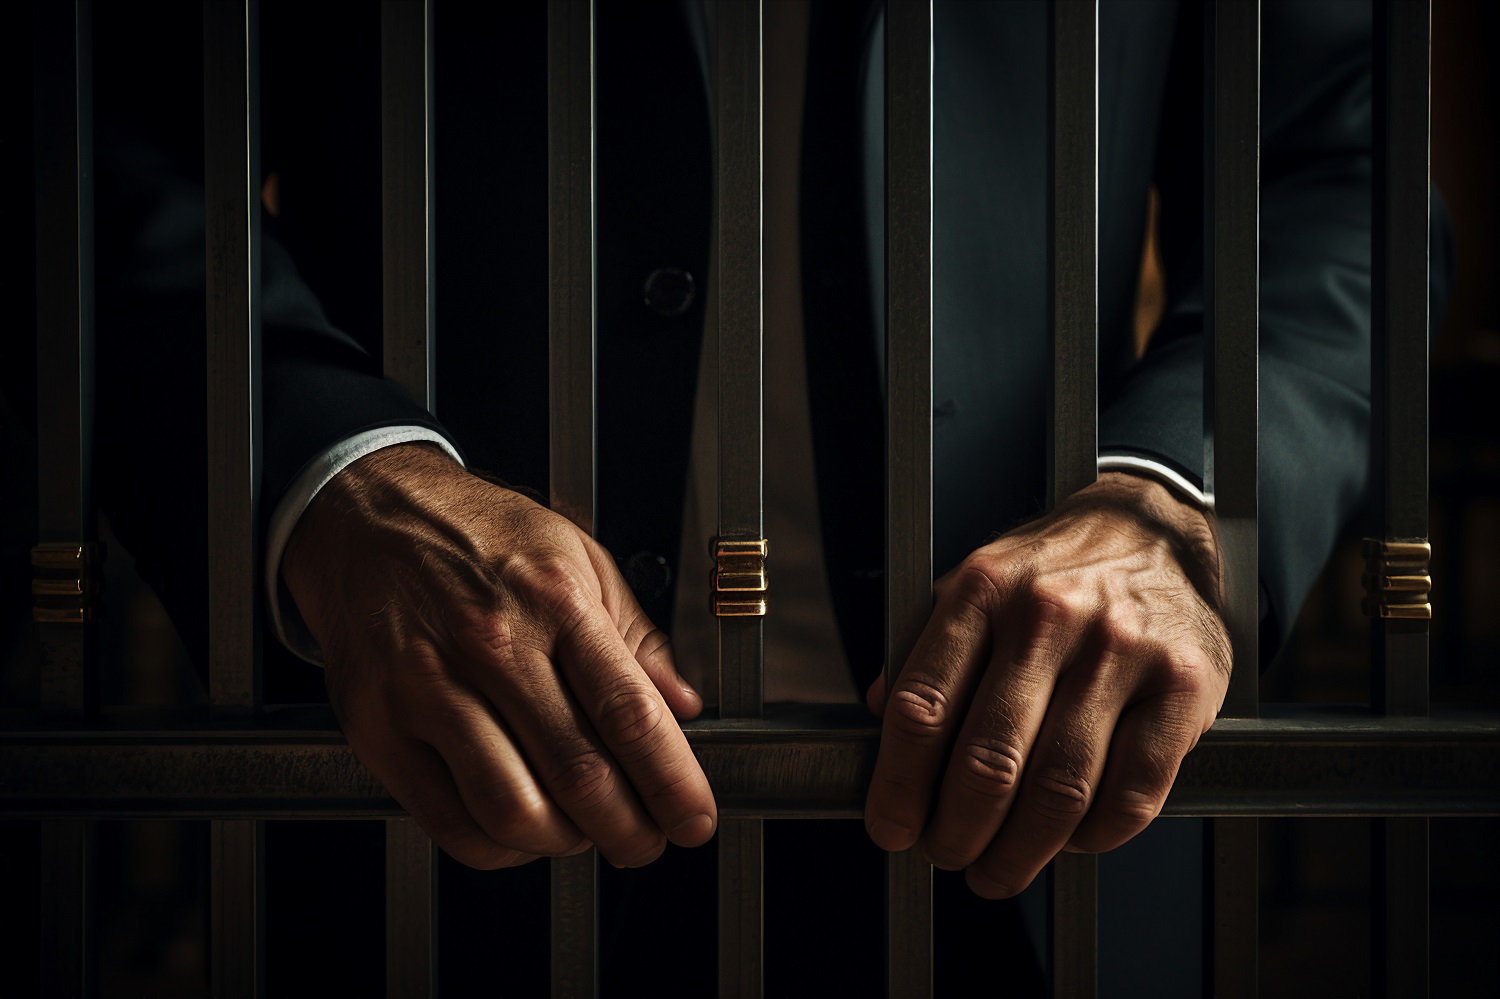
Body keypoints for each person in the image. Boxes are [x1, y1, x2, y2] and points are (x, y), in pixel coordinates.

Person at [91, 0, 1448, 993]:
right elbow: (91, 129)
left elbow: (1347, 171)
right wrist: (339, 480)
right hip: (441, 787)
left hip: (1039, 817)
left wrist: (1173, 503)